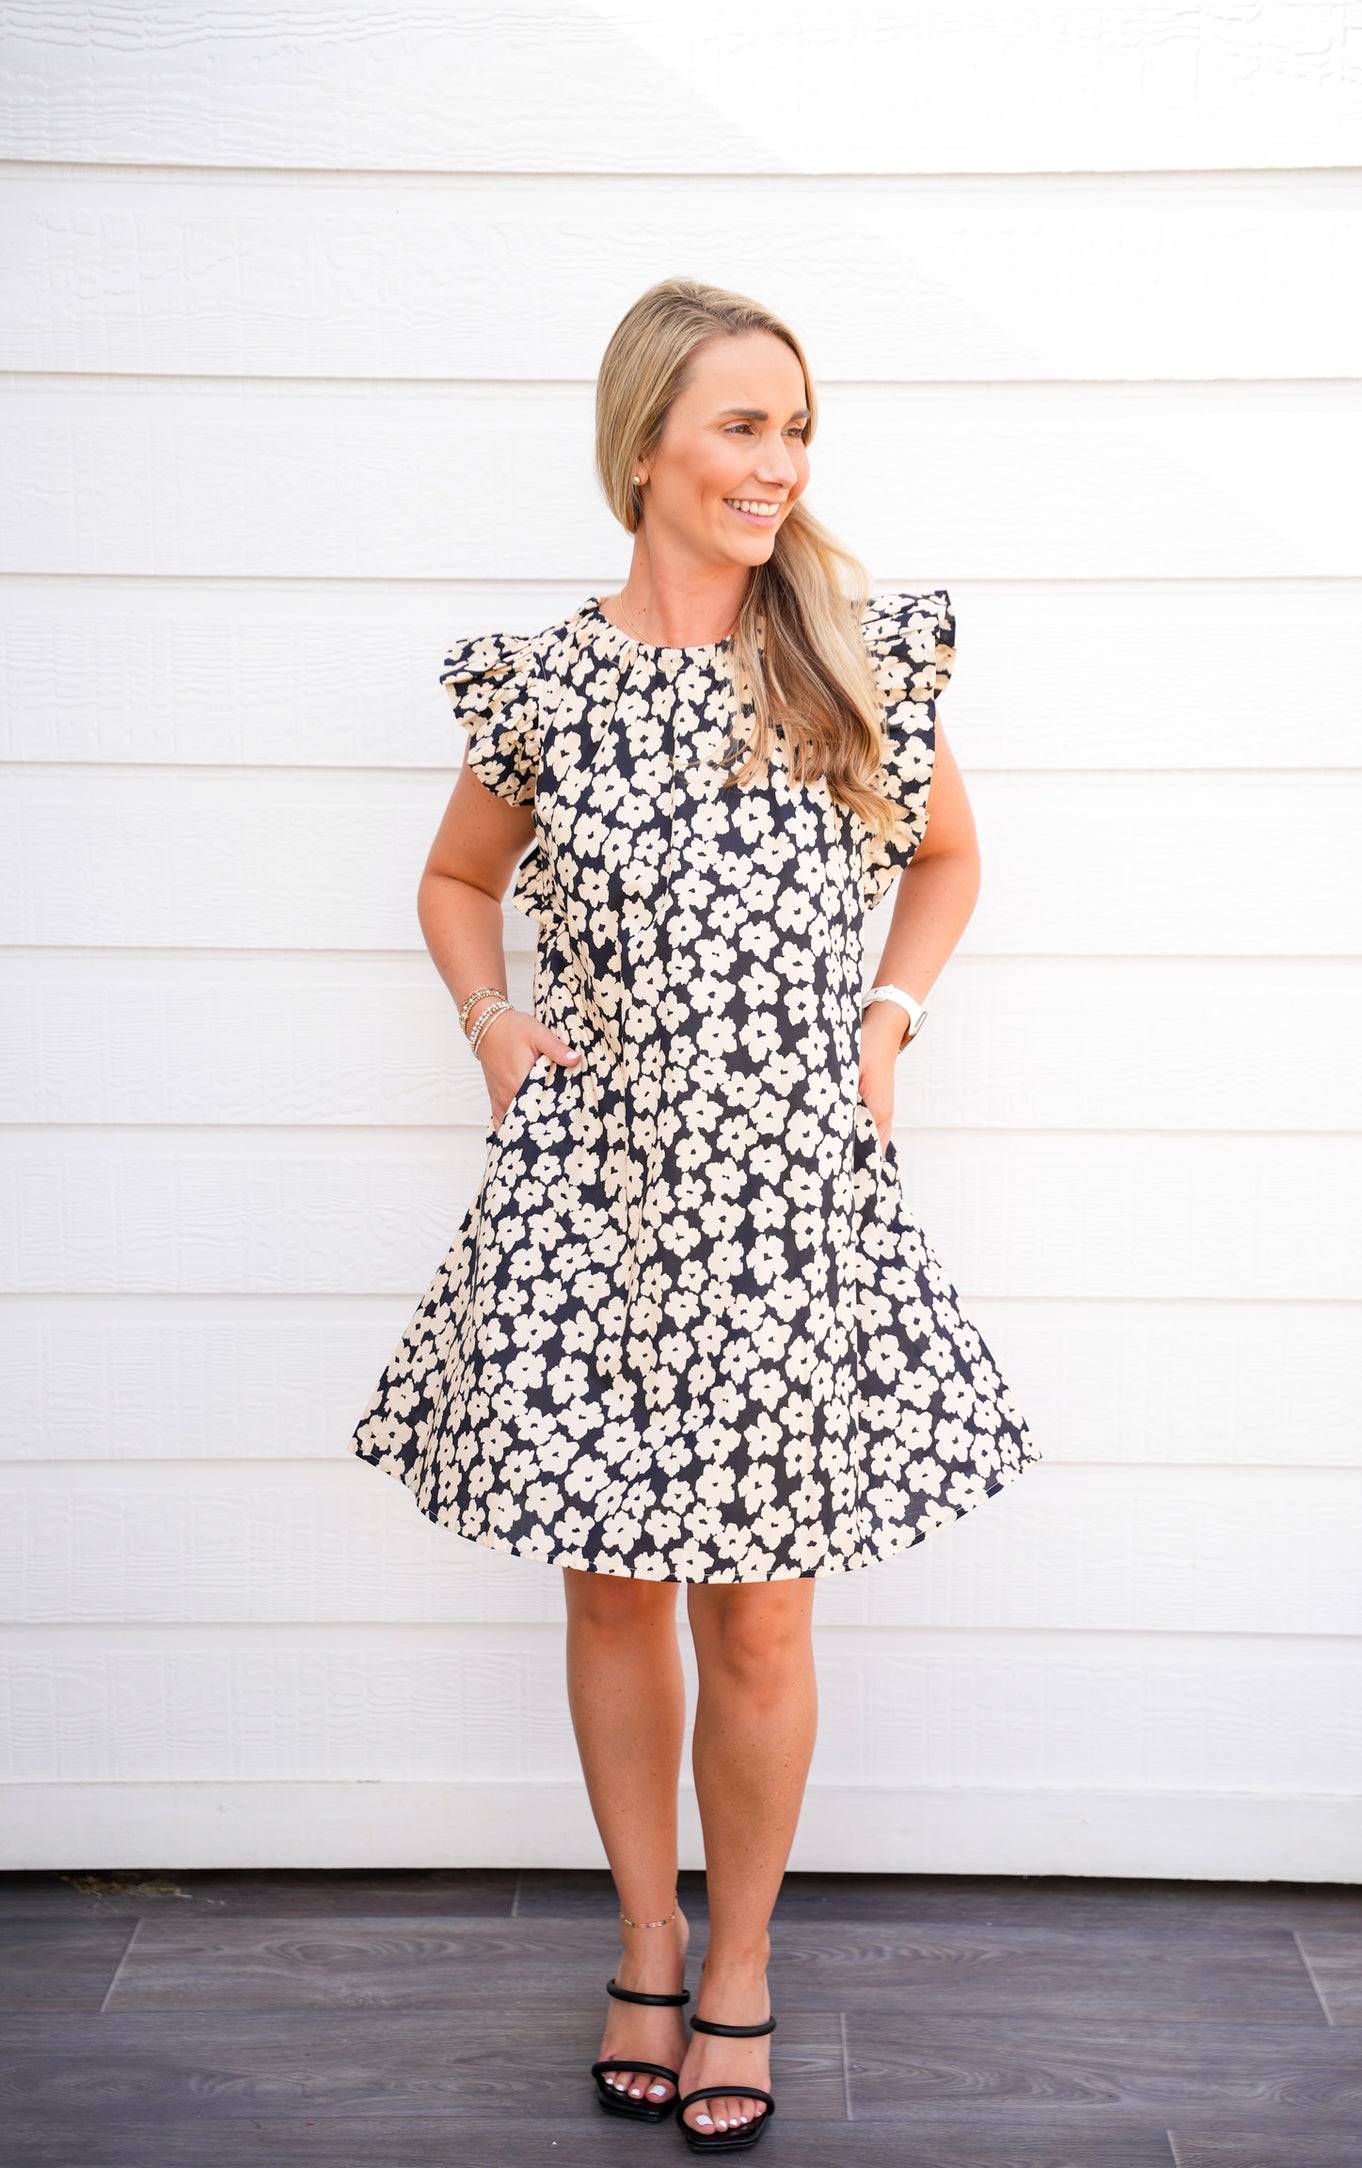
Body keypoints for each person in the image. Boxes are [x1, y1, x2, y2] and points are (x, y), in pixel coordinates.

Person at [348, 277, 1041, 2151]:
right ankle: (643, 1939)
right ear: (642, 442)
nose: (778, 463)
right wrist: (492, 1022)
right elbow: (451, 878)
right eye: (743, 424)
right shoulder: (544, 685)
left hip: (787, 1194)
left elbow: (950, 858)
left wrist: (885, 1021)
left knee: (757, 1613)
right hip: (597, 1195)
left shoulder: (851, 656)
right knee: (610, 1583)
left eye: (795, 428)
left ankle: (740, 1962)